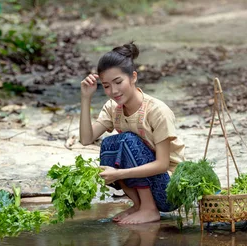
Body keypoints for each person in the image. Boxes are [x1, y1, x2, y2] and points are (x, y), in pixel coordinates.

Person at [79, 42, 185, 225]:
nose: (113, 91)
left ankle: (149, 209)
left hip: (169, 189)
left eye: (118, 82)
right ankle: (139, 205)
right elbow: (86, 139)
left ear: (133, 77)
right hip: (147, 182)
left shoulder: (157, 111)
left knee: (128, 141)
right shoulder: (113, 108)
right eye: (106, 86)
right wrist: (86, 97)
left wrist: (119, 174)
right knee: (108, 144)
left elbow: (162, 164)